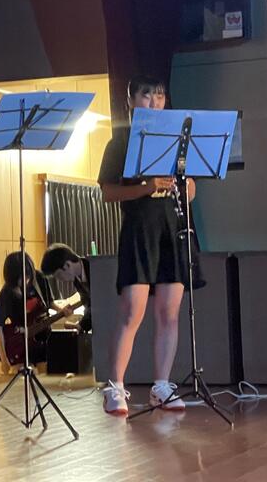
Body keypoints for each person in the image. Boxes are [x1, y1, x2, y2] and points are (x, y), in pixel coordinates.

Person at [97, 74, 201, 416]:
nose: (154, 102)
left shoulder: (178, 140)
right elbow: (108, 193)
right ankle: (115, 387)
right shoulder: (119, 142)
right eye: (146, 95)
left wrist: (183, 186)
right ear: (130, 101)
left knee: (169, 312)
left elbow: (191, 191)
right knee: (132, 311)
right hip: (139, 230)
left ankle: (162, 385)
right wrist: (148, 186)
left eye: (159, 95)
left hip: (173, 228)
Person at [0, 251, 72, 374]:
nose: (24, 281)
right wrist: (4, 360)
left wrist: (61, 311)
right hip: (20, 344)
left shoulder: (40, 279)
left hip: (42, 338)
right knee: (22, 378)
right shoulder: (6, 293)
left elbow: (49, 303)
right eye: (19, 280)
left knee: (46, 375)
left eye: (26, 276)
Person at [40, 243, 92, 333]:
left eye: (58, 275)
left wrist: (82, 325)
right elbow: (89, 304)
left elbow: (99, 304)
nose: (59, 280)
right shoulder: (77, 280)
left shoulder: (94, 268)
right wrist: (81, 325)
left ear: (67, 265)